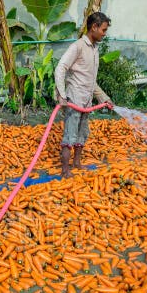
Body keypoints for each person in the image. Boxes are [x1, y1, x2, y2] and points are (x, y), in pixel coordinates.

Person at [54, 11, 115, 178]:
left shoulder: (95, 49)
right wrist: (62, 94)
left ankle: (77, 163)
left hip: (87, 101)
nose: (104, 33)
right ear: (94, 27)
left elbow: (90, 80)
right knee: (70, 135)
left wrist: (104, 98)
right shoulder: (78, 46)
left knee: (82, 134)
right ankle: (65, 170)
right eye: (103, 30)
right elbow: (60, 68)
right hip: (74, 99)